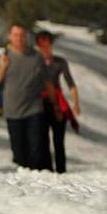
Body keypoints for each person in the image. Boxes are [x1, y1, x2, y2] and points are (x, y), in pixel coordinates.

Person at [0, 24, 61, 170]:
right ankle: (24, 185)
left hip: (34, 109)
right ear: (10, 37)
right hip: (12, 110)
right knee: (19, 153)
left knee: (36, 149)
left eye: (22, 35)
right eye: (15, 35)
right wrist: (3, 67)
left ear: (26, 37)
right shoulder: (4, 57)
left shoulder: (36, 57)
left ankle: (39, 183)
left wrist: (55, 105)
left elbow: (47, 82)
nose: (19, 38)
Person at [35, 30, 80, 173]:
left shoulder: (60, 62)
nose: (45, 48)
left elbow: (71, 83)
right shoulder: (34, 62)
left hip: (57, 103)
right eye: (42, 45)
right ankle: (46, 169)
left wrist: (75, 103)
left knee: (59, 139)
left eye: (47, 44)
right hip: (40, 103)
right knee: (42, 138)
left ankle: (61, 170)